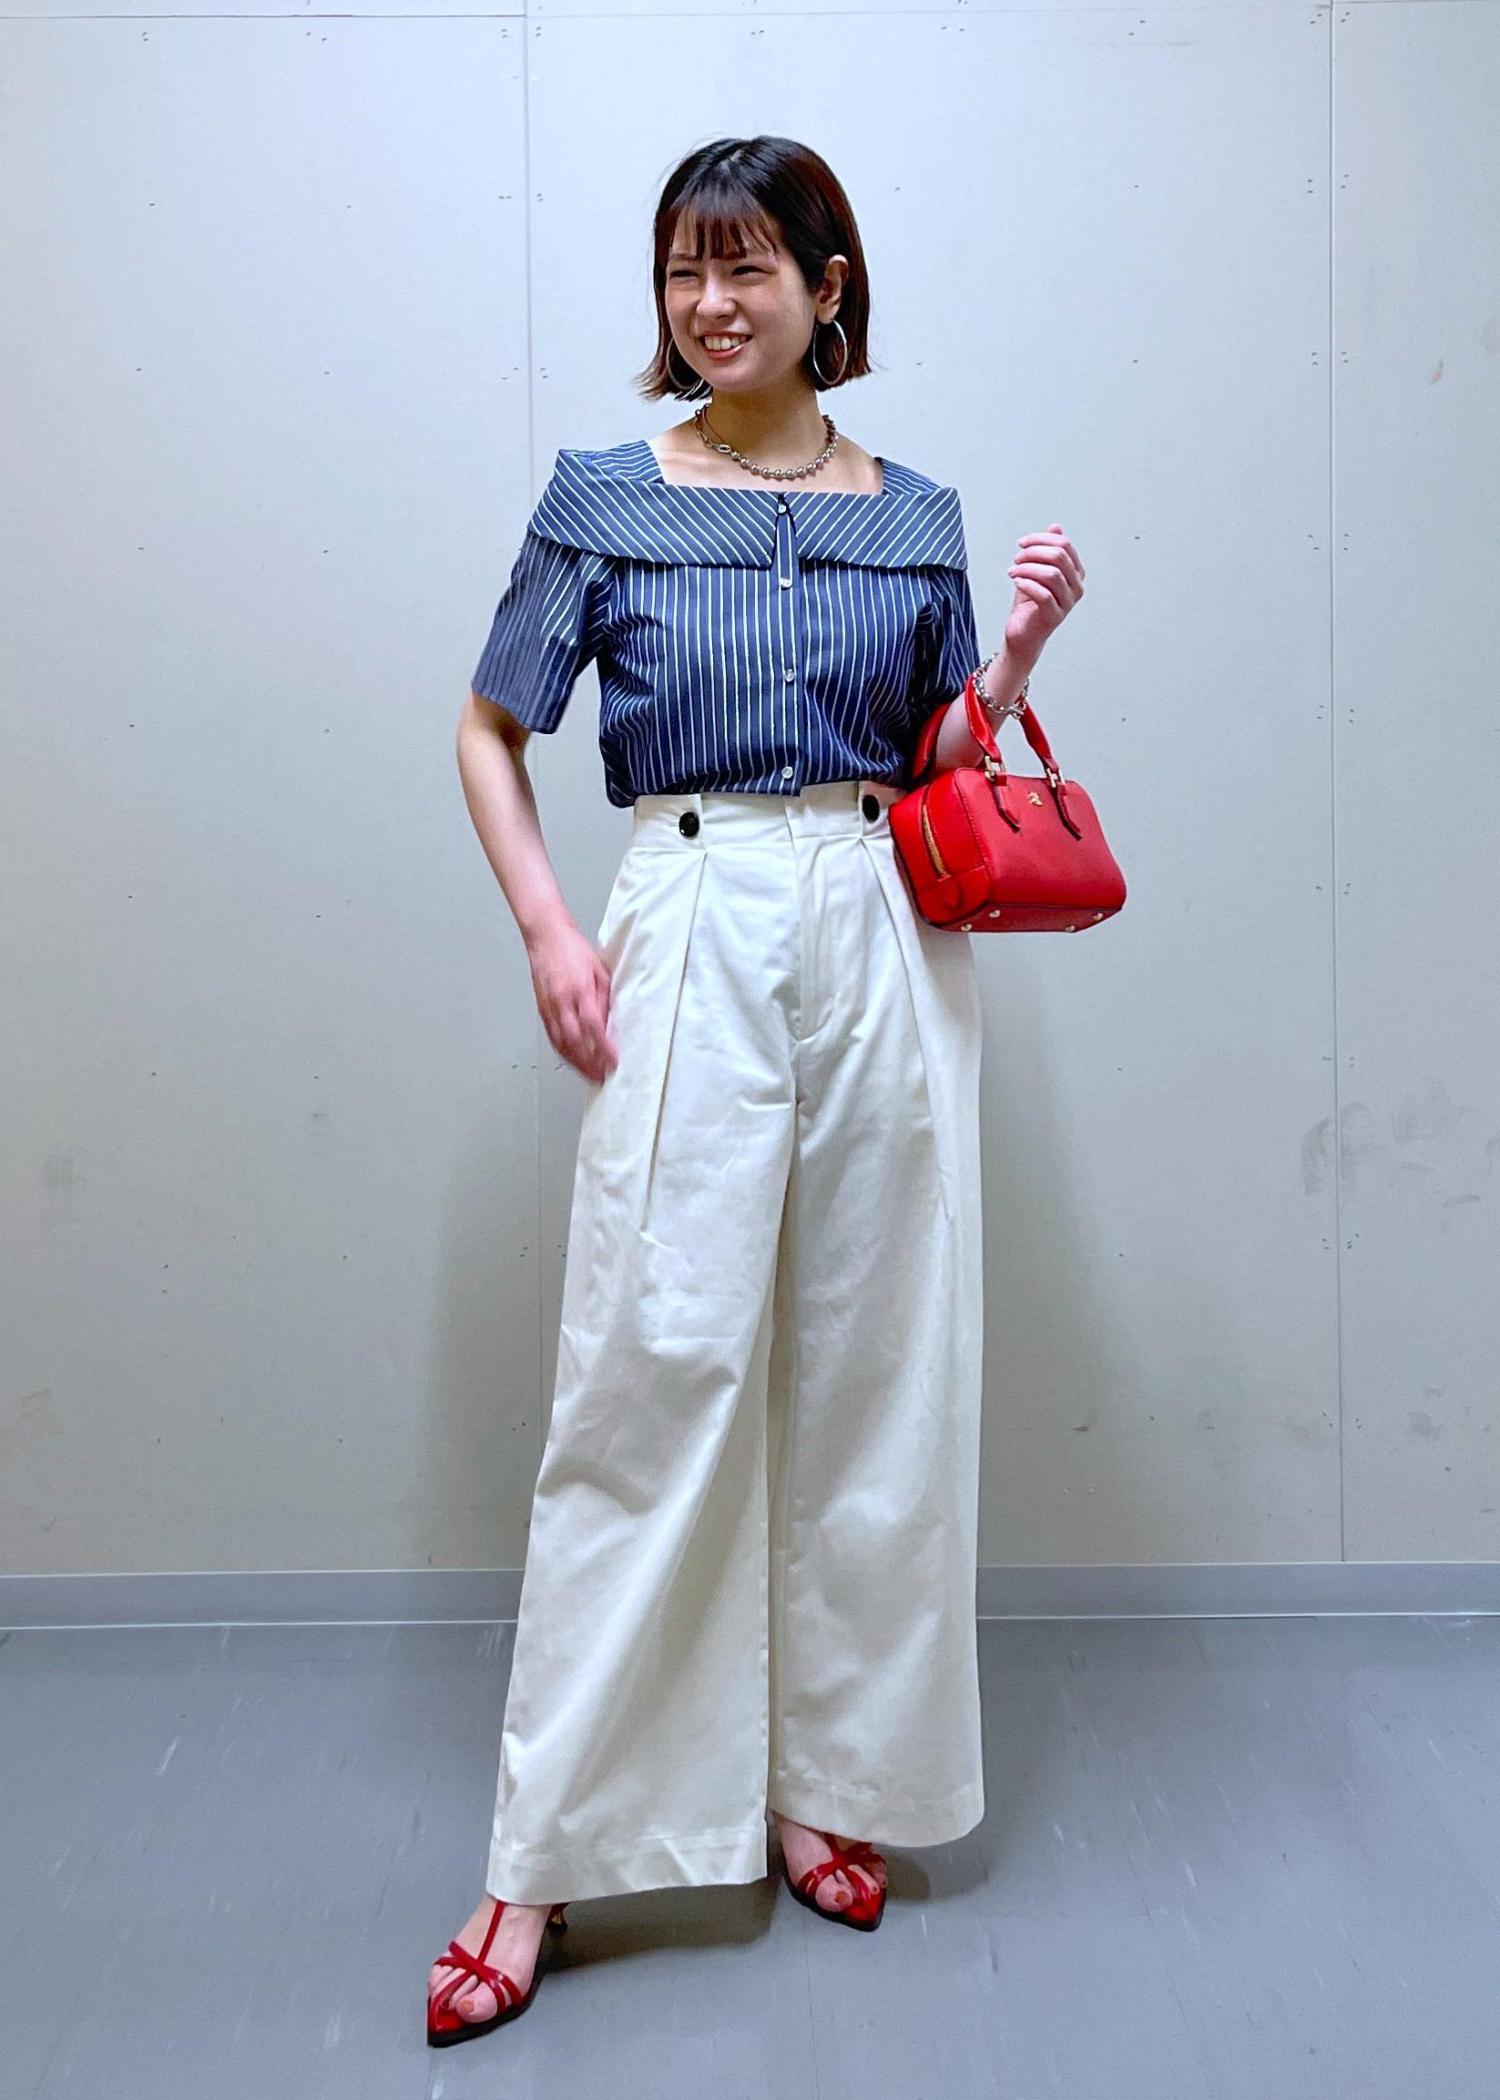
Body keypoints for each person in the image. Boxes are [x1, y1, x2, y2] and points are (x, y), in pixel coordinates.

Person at [427, 134, 1084, 2047]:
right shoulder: (607, 496)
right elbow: (488, 725)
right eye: (682, 272)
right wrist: (556, 933)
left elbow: (939, 752)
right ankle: (540, 1854)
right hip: (691, 903)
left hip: (883, 925)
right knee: (648, 1371)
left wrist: (1017, 652)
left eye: (747, 268)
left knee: (879, 1371)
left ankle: (826, 1787)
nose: (711, 304)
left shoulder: (914, 512)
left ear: (826, 284)